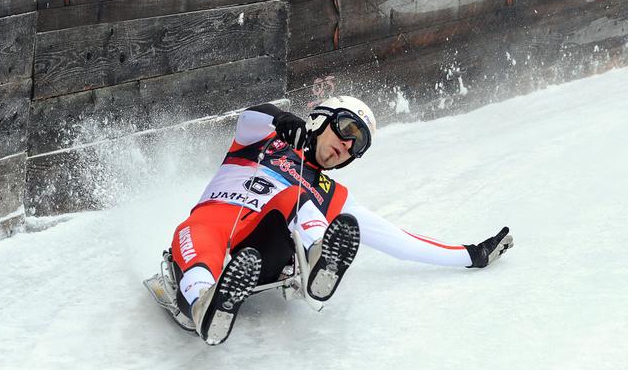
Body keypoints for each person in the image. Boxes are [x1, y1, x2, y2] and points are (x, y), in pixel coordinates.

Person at [169, 96, 513, 345]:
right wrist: (282, 119)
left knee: (296, 197)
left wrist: (470, 254)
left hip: (266, 247)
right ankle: (206, 307)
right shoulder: (263, 140)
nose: (347, 145)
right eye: (347, 129)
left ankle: (321, 258)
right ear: (322, 119)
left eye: (357, 145)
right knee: (197, 232)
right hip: (213, 223)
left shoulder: (331, 194)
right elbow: (249, 117)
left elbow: (399, 241)